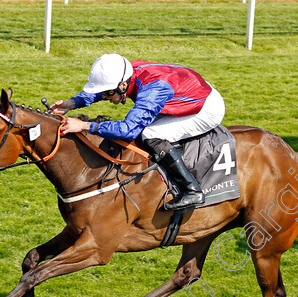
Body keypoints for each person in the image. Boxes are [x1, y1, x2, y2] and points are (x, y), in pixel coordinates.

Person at [51, 54, 226, 210]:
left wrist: (84, 126)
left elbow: (128, 130)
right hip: (186, 92)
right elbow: (103, 90)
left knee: (150, 134)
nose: (105, 97)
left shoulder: (153, 89)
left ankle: (192, 190)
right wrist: (72, 103)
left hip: (205, 108)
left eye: (108, 93)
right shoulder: (127, 72)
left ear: (123, 84)